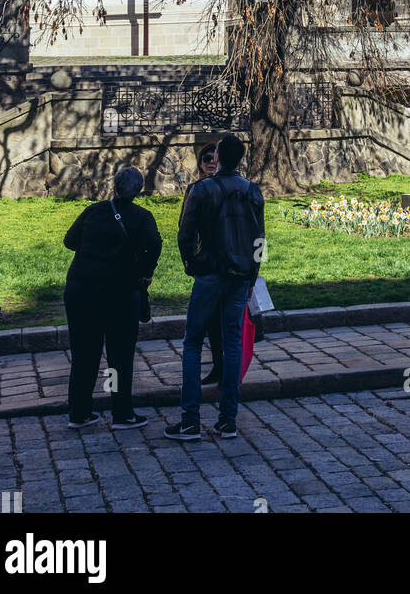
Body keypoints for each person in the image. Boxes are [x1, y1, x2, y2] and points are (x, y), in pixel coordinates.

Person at [166, 132, 264, 441]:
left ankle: (190, 420)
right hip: (239, 275)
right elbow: (260, 240)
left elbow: (185, 233)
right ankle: (228, 419)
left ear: (219, 157)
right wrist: (252, 274)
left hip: (209, 272)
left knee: (193, 341)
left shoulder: (202, 190)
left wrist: (189, 264)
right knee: (232, 342)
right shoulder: (253, 191)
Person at [63, 167, 162, 430]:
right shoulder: (142, 217)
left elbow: (69, 241)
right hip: (119, 293)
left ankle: (79, 411)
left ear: (114, 186)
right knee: (118, 356)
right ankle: (121, 412)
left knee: (84, 353)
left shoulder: (93, 211)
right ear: (139, 190)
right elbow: (154, 245)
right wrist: (144, 272)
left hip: (81, 290)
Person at [179, 143, 225, 384]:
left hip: (224, 264)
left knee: (217, 324)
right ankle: (220, 369)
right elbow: (185, 227)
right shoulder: (195, 189)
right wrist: (190, 261)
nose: (210, 162)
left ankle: (222, 370)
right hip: (208, 262)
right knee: (212, 322)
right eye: (205, 158)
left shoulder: (232, 187)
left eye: (214, 158)